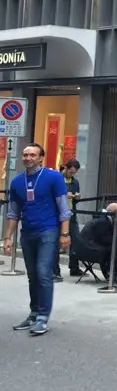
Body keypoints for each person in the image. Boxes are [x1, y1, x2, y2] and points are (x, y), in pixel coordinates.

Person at [3, 143, 71, 336]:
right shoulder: (16, 182)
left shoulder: (54, 178)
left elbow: (64, 208)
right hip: (28, 232)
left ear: (41, 158)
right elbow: (13, 212)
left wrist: (65, 234)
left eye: (33, 155)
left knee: (43, 272)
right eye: (25, 155)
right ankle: (34, 313)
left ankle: (42, 316)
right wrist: (7, 237)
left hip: (48, 230)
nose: (28, 158)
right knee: (32, 274)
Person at [76, 203, 117, 282]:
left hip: (90, 245)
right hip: (87, 249)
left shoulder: (105, 218)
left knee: (114, 247)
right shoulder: (103, 221)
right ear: (110, 211)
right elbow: (104, 239)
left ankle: (116, 273)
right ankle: (113, 274)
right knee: (113, 248)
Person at [62, 160, 83, 279]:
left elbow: (76, 197)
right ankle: (54, 270)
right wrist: (65, 194)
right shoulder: (57, 180)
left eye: (74, 173)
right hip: (59, 215)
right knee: (56, 242)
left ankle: (74, 267)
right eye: (70, 172)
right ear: (65, 168)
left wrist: (77, 197)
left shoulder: (75, 182)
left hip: (72, 214)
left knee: (75, 240)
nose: (72, 174)